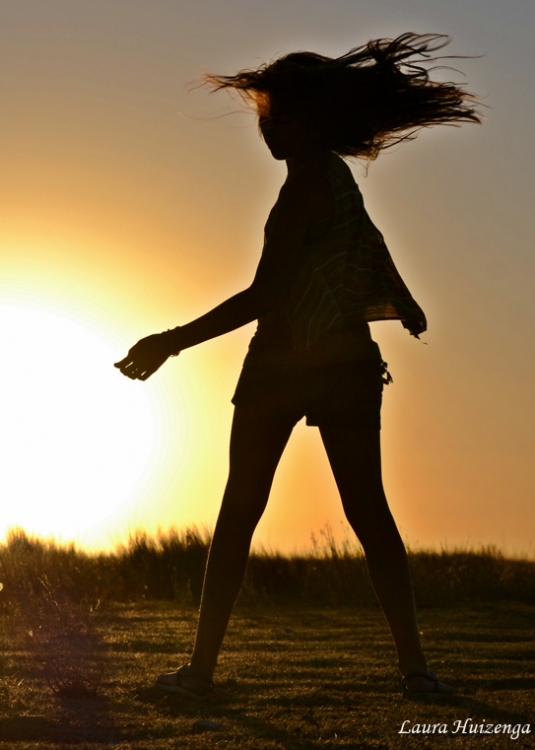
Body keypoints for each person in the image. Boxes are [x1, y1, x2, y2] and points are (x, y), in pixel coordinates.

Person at [115, 33, 480, 698]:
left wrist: (169, 341)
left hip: (287, 365)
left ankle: (199, 672)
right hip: (344, 363)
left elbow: (264, 294)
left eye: (276, 116)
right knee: (367, 514)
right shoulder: (331, 181)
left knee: (240, 516)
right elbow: (363, 247)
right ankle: (415, 671)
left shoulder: (310, 186)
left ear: (307, 121)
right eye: (262, 117)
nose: (266, 129)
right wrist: (402, 298)